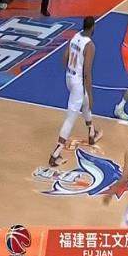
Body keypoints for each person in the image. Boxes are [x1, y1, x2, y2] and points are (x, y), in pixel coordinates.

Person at [49, 17, 102, 166]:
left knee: (84, 102)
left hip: (69, 78)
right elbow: (87, 73)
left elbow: (64, 58)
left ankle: (91, 132)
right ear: (93, 27)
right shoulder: (90, 45)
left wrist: (72, 72)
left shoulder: (75, 36)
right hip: (78, 81)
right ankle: (55, 154)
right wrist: (91, 94)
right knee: (71, 118)